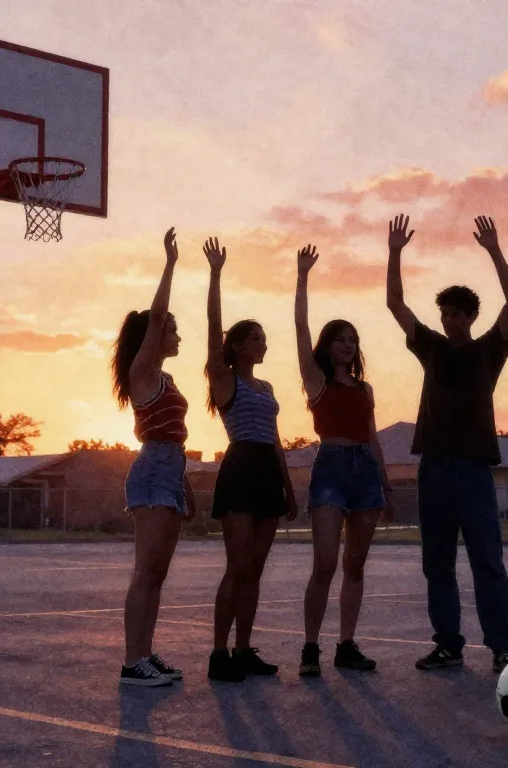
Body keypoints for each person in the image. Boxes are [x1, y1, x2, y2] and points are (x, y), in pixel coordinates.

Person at [385, 214, 508, 674]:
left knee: (487, 561)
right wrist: (395, 252)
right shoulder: (431, 348)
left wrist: (494, 249)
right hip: (435, 469)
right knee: (437, 564)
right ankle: (448, 643)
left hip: (473, 469)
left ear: (470, 318)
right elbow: (395, 304)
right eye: (443, 312)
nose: (447, 320)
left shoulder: (488, 350)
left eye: (455, 313)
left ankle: (501, 644)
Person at [292, 244, 395, 677]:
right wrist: (302, 277)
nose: (348, 345)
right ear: (328, 345)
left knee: (355, 564)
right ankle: (310, 648)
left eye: (353, 340)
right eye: (341, 339)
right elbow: (300, 329)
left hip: (365, 474)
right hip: (330, 468)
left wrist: (386, 485)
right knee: (326, 563)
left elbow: (371, 438)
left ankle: (346, 645)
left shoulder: (365, 390)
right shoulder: (316, 381)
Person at [203, 236, 300, 683]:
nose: (263, 344)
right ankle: (219, 654)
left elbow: (277, 439)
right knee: (237, 567)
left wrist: (289, 485)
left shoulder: (268, 389)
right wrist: (216, 274)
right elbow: (212, 329)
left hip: (267, 472)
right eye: (256, 338)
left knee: (256, 570)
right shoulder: (226, 382)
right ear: (239, 345)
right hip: (240, 469)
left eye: (264, 338)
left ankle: (243, 650)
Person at [112, 227, 197, 687]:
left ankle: (145, 654)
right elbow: (159, 310)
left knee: (158, 573)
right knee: (146, 571)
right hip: (152, 470)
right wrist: (170, 263)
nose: (177, 334)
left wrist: (184, 485)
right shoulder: (142, 371)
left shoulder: (165, 377)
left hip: (170, 470)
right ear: (154, 335)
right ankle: (131, 662)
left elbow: (176, 436)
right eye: (171, 329)